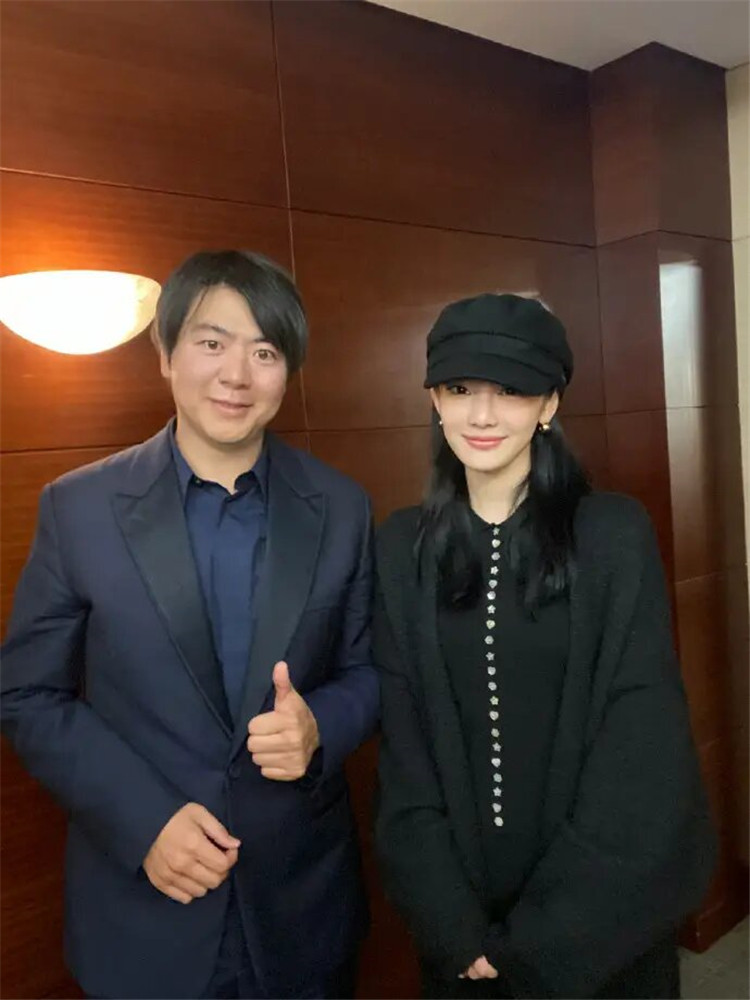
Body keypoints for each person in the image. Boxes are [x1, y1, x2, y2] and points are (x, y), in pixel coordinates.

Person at [1, 250, 379, 1000]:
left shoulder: (342, 506)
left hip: (303, 908)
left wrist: (319, 728)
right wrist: (143, 821)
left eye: (265, 352)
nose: (237, 375)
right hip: (143, 910)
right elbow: (27, 695)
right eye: (212, 342)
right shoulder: (79, 508)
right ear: (166, 353)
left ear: (288, 371)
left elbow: (370, 670)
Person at [374, 293, 715, 999]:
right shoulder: (402, 547)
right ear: (435, 399)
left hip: (598, 927)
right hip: (462, 932)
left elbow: (642, 750)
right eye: (459, 389)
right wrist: (451, 925)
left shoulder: (612, 534)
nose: (482, 414)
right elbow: (405, 755)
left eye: (511, 390)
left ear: (549, 404)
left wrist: (547, 937)